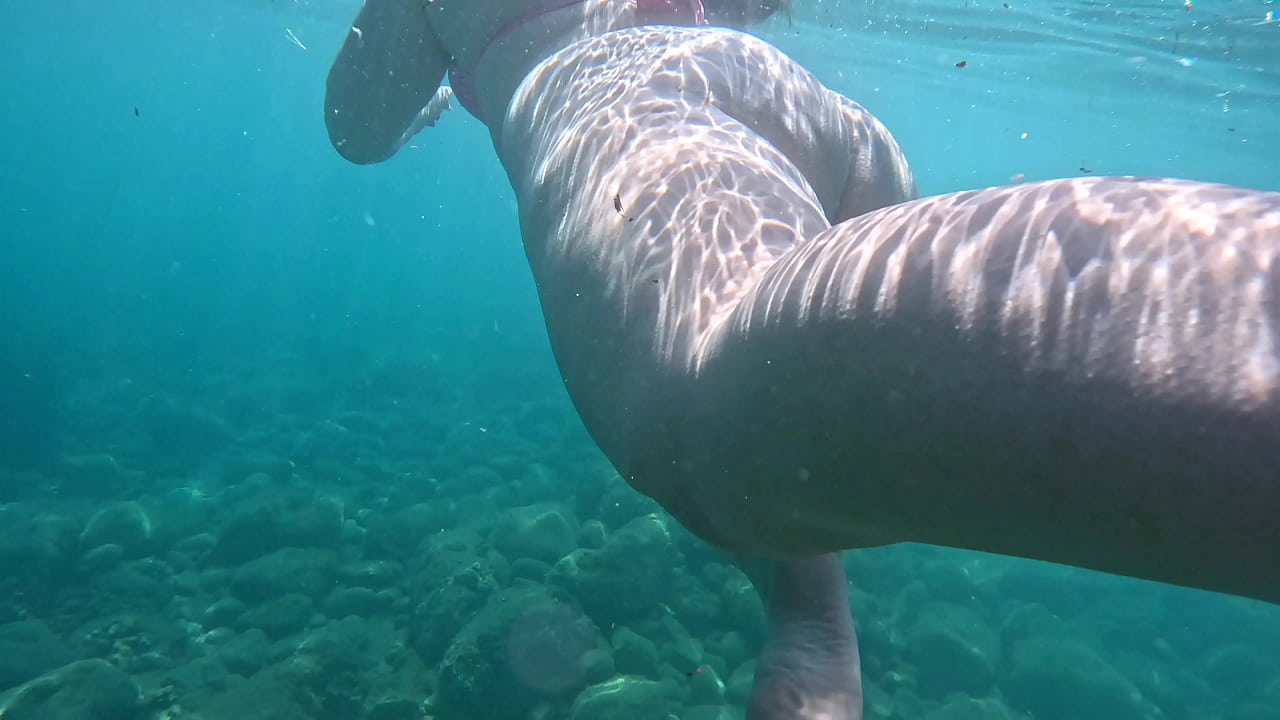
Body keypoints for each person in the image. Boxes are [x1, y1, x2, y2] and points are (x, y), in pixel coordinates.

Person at [325, 3, 1280, 719]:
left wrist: (437, 91)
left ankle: (811, 602)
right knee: (771, 366)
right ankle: (808, 607)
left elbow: (354, 128)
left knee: (703, 418)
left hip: (624, 101)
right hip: (784, 105)